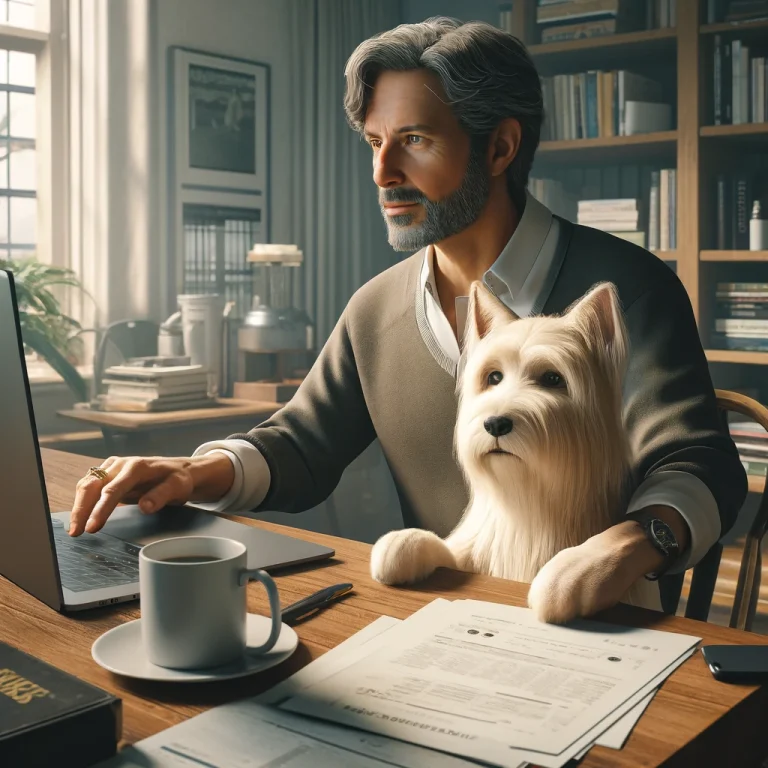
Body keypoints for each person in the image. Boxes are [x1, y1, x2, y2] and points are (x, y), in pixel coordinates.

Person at [68, 17, 746, 619]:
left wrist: (633, 543)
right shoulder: (376, 308)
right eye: (374, 142)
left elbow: (698, 460)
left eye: (414, 140)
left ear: (500, 148)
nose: (382, 171)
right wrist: (191, 473)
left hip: (604, 627)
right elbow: (301, 446)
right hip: (444, 621)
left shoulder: (629, 288)